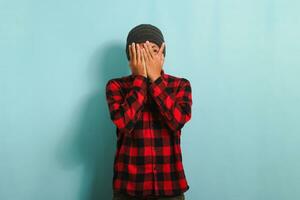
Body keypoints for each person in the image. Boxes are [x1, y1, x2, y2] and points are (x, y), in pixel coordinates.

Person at [105, 24, 192, 200]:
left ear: (162, 55)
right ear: (130, 58)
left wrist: (156, 79)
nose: (147, 58)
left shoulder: (180, 85)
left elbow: (177, 121)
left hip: (170, 186)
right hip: (129, 187)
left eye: (153, 51)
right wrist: (140, 79)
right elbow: (124, 123)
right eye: (140, 51)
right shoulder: (116, 86)